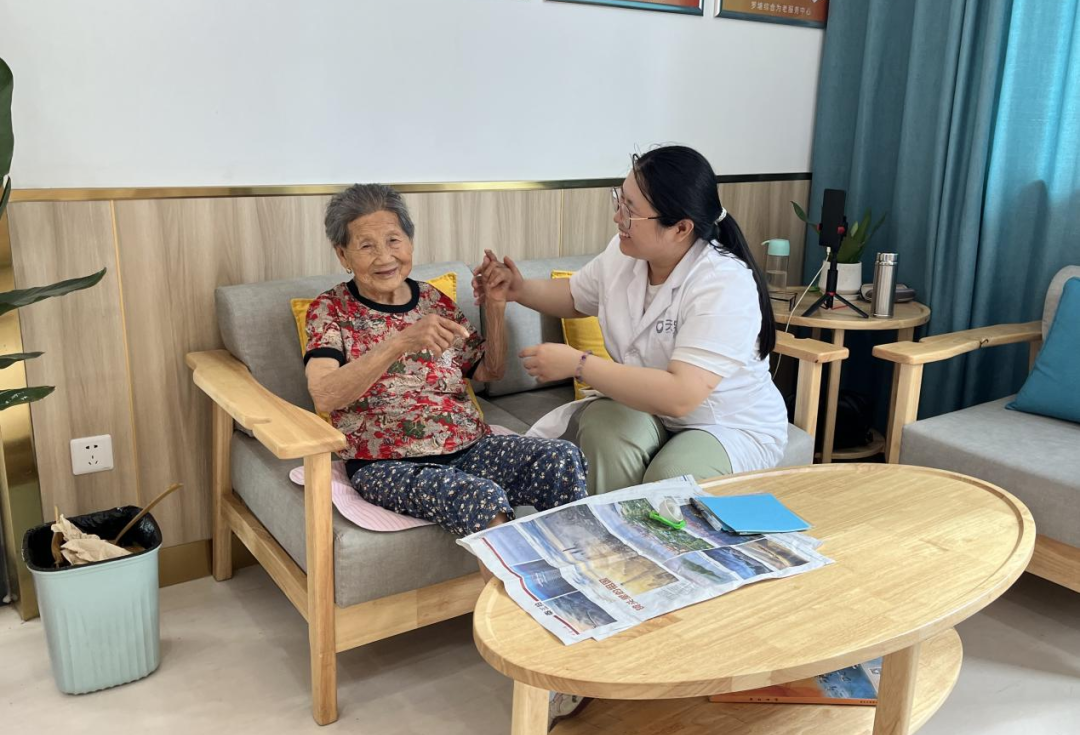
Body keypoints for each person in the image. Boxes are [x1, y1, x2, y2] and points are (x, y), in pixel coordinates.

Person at [474, 146, 788, 495]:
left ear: (681, 228)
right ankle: (604, 524)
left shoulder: (723, 282)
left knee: (671, 477)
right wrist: (519, 288)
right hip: (653, 410)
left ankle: (642, 527)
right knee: (604, 427)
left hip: (723, 423)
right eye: (619, 201)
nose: (617, 218)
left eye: (630, 211)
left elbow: (681, 395)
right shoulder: (625, 254)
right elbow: (576, 296)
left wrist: (579, 365)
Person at [303, 184, 588, 542]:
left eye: (393, 240)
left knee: (561, 458)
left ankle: (575, 566)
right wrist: (400, 342)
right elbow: (324, 395)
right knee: (481, 497)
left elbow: (488, 371)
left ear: (410, 242)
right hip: (385, 464)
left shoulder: (432, 299)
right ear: (342, 254)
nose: (384, 257)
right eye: (366, 246)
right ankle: (512, 578)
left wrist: (495, 306)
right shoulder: (330, 310)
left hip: (470, 447)